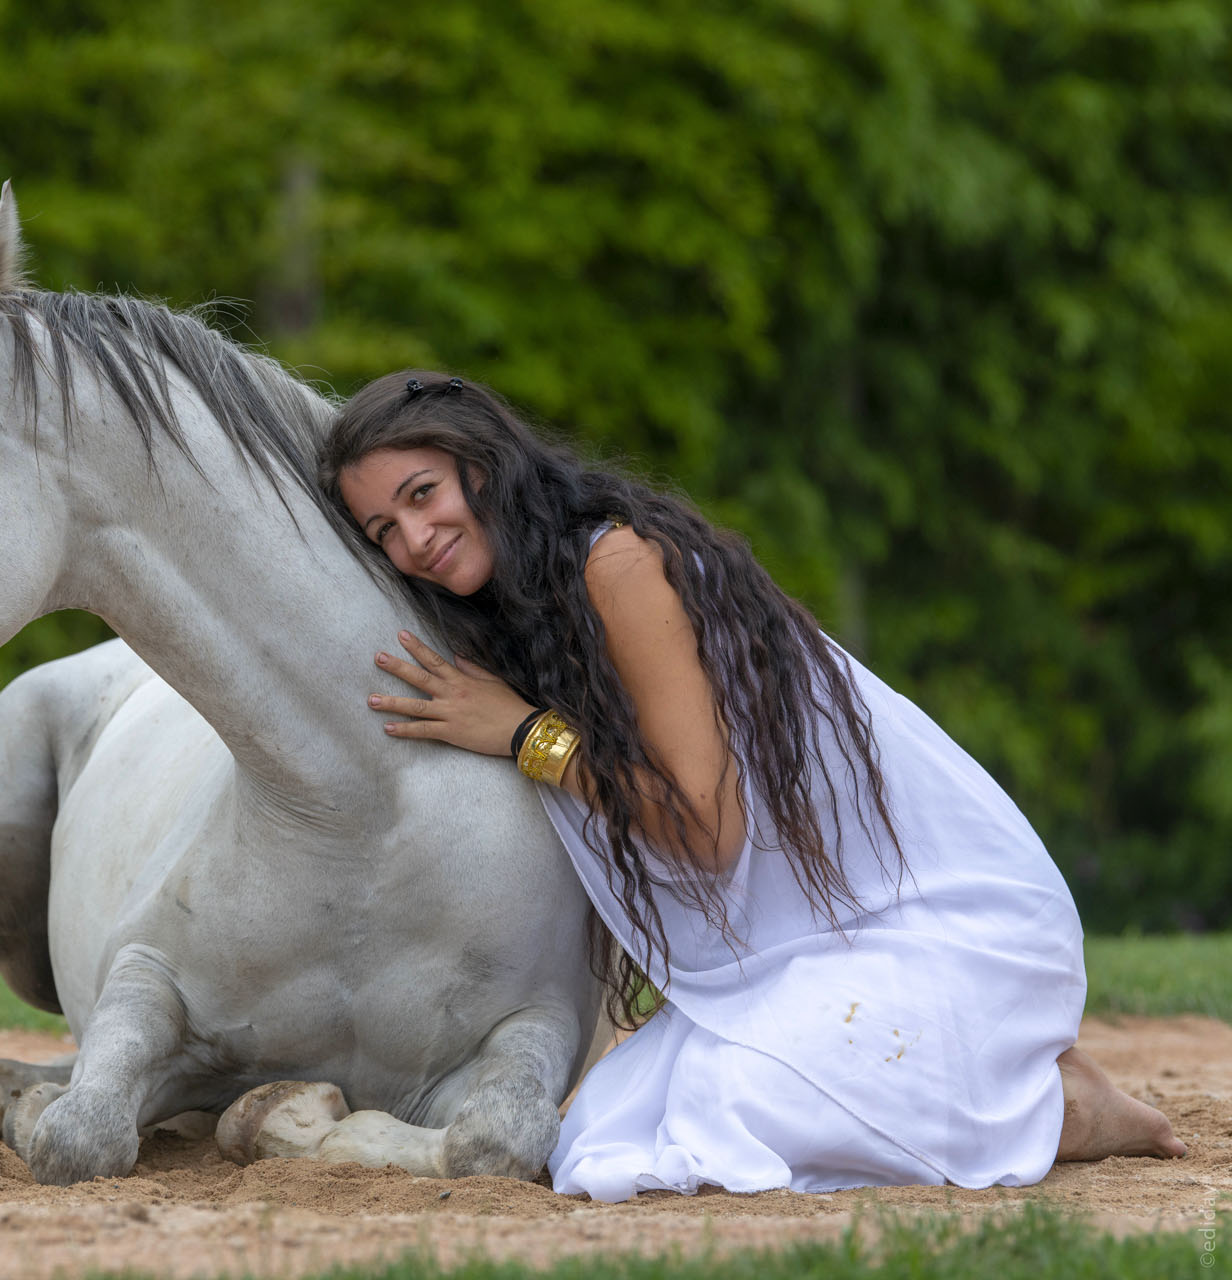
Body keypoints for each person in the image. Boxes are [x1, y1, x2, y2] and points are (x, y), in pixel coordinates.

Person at [318, 370, 1185, 1202]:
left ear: (483, 461)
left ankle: (1058, 1106)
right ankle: (989, 1072)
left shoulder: (613, 567)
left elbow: (706, 829)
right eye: (383, 530)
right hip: (813, 952)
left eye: (422, 493)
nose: (414, 540)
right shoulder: (521, 620)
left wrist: (521, 734)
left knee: (725, 1111)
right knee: (606, 1134)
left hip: (945, 925)